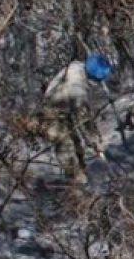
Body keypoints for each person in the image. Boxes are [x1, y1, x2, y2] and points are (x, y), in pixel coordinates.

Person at [42, 54, 110, 184]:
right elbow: (84, 122)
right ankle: (77, 185)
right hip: (52, 115)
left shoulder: (76, 65)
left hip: (63, 109)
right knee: (66, 149)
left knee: (77, 145)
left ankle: (82, 175)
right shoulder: (78, 90)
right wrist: (96, 143)